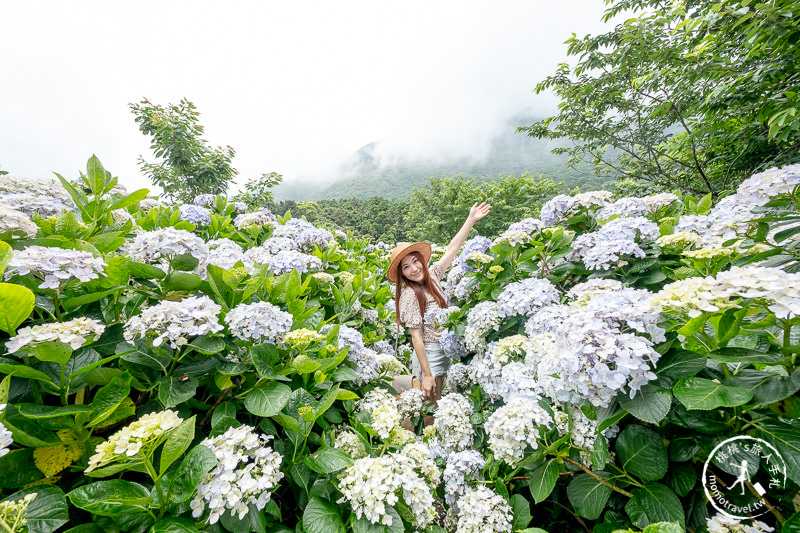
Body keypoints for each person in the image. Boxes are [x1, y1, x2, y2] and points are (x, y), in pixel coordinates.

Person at [388, 202, 491, 403]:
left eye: (415, 261)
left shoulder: (433, 275)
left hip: (444, 349)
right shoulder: (409, 295)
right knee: (428, 403)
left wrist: (470, 219)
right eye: (406, 267)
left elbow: (453, 248)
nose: (414, 269)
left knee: (434, 401)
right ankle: (417, 434)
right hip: (429, 353)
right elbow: (416, 338)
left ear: (422, 260)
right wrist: (426, 374)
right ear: (402, 274)